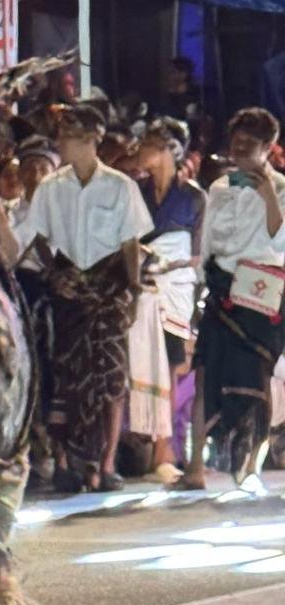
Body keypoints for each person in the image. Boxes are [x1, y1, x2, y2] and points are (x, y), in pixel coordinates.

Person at [16, 104, 154, 492]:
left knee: (111, 379)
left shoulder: (119, 185)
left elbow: (131, 243)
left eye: (69, 138)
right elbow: (39, 240)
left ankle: (105, 464)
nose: (62, 143)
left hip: (109, 289)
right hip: (69, 289)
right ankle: (65, 463)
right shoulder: (50, 187)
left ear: (91, 141)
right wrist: (55, 274)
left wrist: (133, 291)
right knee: (67, 377)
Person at [184, 108, 285, 489]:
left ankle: (251, 465)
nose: (240, 150)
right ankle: (195, 466)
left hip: (260, 292)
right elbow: (207, 240)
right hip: (222, 287)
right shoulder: (220, 188)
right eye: (236, 143)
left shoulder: (282, 188)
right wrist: (199, 285)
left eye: (249, 145)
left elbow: (280, 242)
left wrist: (268, 195)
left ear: (268, 147)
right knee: (205, 373)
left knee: (256, 378)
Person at [134, 116, 206, 484]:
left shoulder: (194, 196)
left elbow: (197, 254)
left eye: (148, 145)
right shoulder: (136, 191)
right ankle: (151, 446)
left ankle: (167, 448)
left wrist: (169, 263)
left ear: (167, 150)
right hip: (143, 286)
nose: (140, 152)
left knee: (174, 365)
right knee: (145, 364)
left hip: (176, 287)